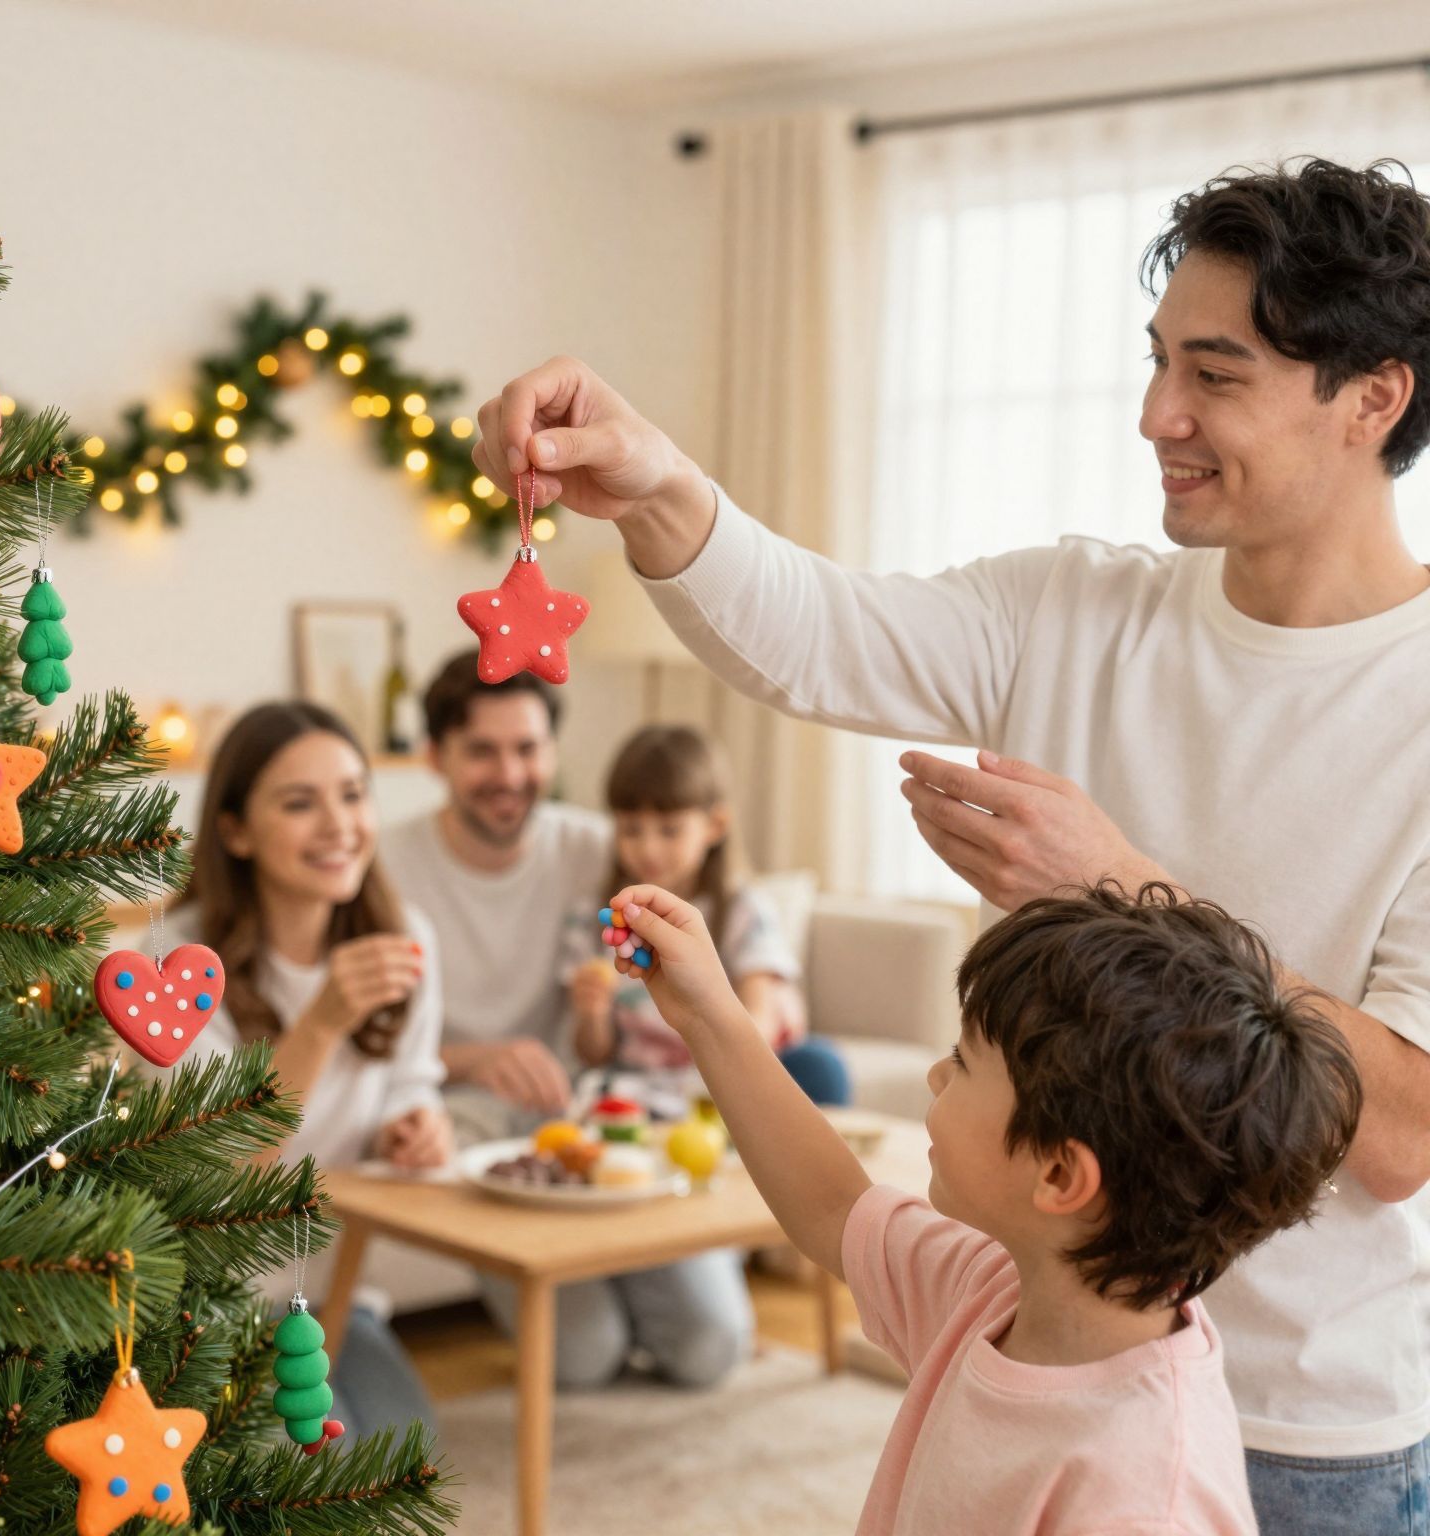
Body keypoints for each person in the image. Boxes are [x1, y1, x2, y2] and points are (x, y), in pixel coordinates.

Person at [474, 158, 1430, 1527]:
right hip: (1022, 1325)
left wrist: (1123, 890)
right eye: (1160, 363)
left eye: (1215, 377)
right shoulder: (1075, 608)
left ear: (1372, 398)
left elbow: (1399, 1133)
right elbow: (811, 632)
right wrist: (654, 482)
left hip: (1307, 1428)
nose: (1158, 414)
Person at [614, 879, 1359, 1533]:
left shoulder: (1141, 1502)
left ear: (1061, 1175)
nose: (939, 1075)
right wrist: (708, 1010)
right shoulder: (1003, 1290)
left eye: (966, 1061)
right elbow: (834, 1209)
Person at [167, 700, 448, 1443]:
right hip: (212, 1300)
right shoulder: (175, 972)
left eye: (354, 795)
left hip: (337, 1292)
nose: (339, 826)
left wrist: (413, 1128)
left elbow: (411, 1080)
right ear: (235, 831)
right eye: (300, 803)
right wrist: (322, 1023)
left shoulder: (405, 938)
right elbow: (227, 1167)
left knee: (404, 1464)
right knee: (315, 1474)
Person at [382, 650, 612, 1137]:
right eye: (482, 751)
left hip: (573, 1119)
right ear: (435, 757)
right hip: (432, 1126)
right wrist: (473, 1061)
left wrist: (768, 979)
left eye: (527, 749)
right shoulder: (379, 867)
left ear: (552, 752)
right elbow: (353, 1055)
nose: (509, 776)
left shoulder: (599, 850)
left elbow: (718, 891)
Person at [568, 723, 849, 1110]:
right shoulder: (599, 920)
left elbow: (759, 1026)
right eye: (631, 829)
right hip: (639, 1090)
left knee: (819, 1065)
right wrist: (591, 1014)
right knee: (589, 1096)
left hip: (733, 1083)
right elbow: (593, 1053)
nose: (648, 848)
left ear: (714, 826)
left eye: (669, 830)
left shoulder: (742, 911)